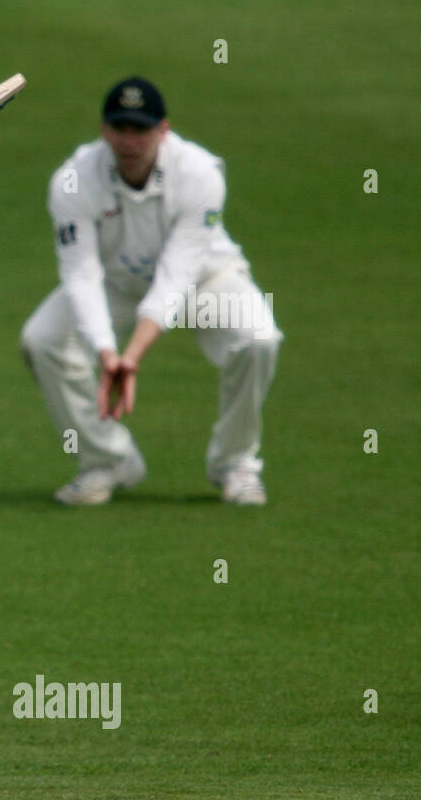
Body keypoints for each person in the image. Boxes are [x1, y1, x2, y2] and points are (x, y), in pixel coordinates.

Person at [20, 76, 281, 505]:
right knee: (42, 339)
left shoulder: (200, 173)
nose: (129, 140)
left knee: (259, 340)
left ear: (164, 129)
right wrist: (107, 352)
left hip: (205, 281)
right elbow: (81, 275)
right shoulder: (73, 179)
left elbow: (176, 275)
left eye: (140, 129)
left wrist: (132, 356)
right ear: (103, 130)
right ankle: (109, 459)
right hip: (114, 284)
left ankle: (235, 464)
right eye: (119, 128)